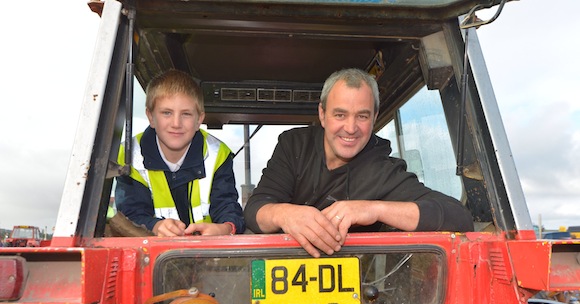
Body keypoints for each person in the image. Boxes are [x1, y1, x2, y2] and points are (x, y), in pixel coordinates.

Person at [244, 68, 473, 257]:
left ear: (374, 118)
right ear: (322, 115)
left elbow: (459, 217)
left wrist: (373, 208)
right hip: (280, 271)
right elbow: (255, 210)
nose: (351, 128)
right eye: (340, 115)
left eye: (362, 116)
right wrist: (285, 214)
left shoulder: (383, 171)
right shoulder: (293, 146)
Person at [115, 69, 244, 236]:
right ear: (150, 116)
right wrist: (154, 226)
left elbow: (227, 206)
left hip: (210, 252)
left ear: (199, 119)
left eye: (186, 114)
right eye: (166, 113)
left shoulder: (218, 154)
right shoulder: (128, 156)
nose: (176, 123)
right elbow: (129, 214)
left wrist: (225, 228)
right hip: (154, 253)